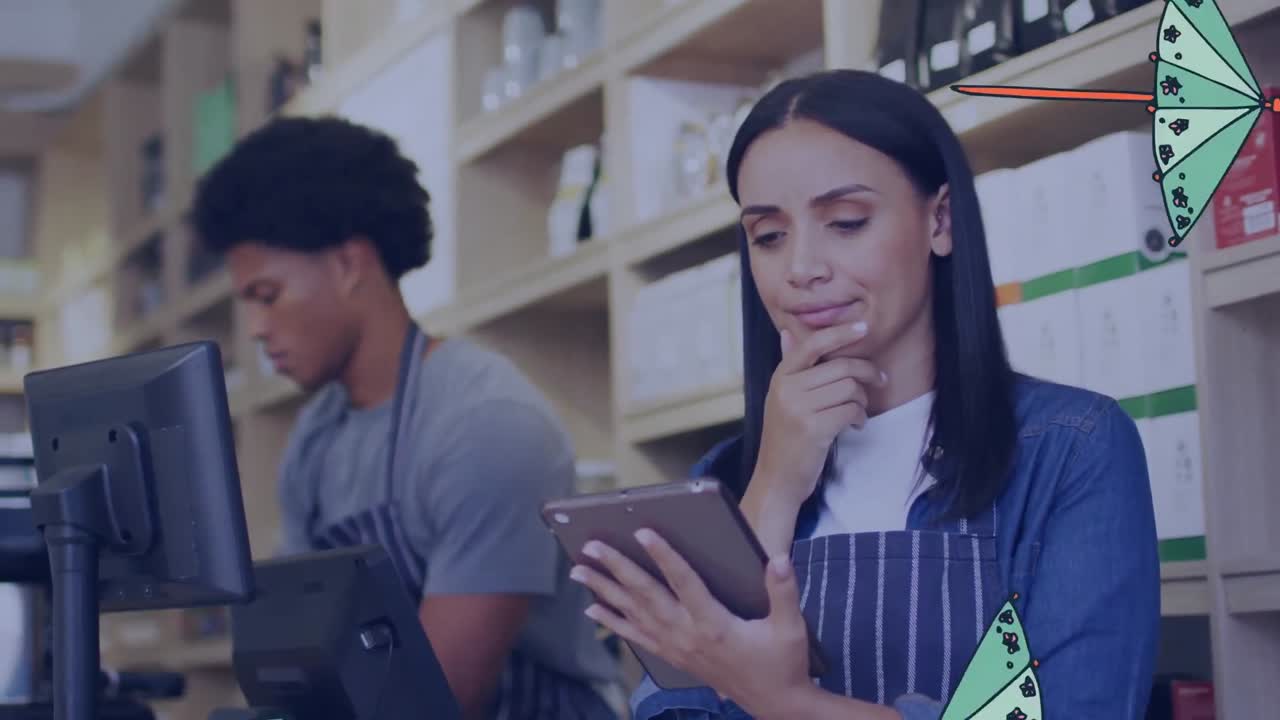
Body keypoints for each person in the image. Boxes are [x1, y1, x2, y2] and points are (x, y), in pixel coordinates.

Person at [567, 69, 1161, 719]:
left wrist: (783, 702)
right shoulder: (724, 480)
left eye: (846, 222)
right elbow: (669, 710)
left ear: (940, 220)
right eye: (768, 236)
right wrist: (772, 488)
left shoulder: (1071, 451)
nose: (801, 268)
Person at [188, 116, 622, 720]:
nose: (257, 330)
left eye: (268, 296)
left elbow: (438, 701)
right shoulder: (315, 440)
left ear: (349, 263)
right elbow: (298, 659)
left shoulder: (488, 427)